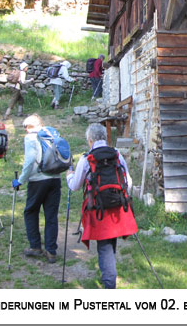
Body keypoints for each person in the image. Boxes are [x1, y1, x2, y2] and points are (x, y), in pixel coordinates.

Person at [66, 123, 138, 289]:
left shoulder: (86, 158)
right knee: (109, 242)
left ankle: (109, 285)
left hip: (98, 209)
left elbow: (75, 185)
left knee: (104, 247)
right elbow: (129, 182)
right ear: (105, 138)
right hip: (118, 206)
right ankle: (109, 275)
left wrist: (69, 176)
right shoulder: (117, 155)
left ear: (90, 140)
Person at [11, 114, 61, 263]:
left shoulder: (31, 138)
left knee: (31, 211)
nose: (25, 130)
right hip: (55, 178)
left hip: (38, 180)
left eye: (25, 127)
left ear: (29, 127)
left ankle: (35, 246)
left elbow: (30, 160)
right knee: (51, 215)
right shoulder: (52, 134)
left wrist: (20, 180)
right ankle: (51, 251)